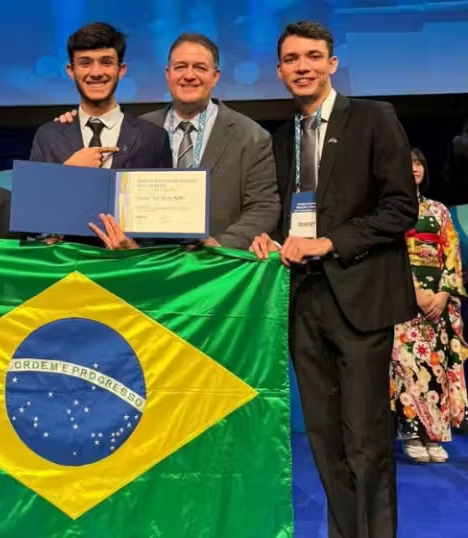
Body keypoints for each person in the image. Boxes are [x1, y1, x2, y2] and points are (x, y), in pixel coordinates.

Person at [250, 21, 418, 538]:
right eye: (291, 59)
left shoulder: (373, 118)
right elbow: (285, 215)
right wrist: (268, 239)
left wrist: (329, 242)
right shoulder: (281, 140)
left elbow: (400, 208)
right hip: (303, 300)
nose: (302, 67)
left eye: (312, 56)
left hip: (360, 299)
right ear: (280, 70)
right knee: (324, 441)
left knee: (367, 441)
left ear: (332, 64)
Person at [57, 33, 280, 250]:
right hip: (147, 261)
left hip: (217, 265)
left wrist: (221, 244)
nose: (189, 75)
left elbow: (264, 206)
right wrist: (74, 122)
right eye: (180, 67)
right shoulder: (139, 129)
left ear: (216, 76)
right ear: (168, 74)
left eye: (200, 68)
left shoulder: (251, 136)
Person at [391, 147, 468, 463]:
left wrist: (443, 294)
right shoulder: (391, 210)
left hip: (438, 300)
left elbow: (451, 252)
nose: (415, 168)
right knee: (408, 367)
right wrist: (415, 292)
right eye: (409, 163)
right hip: (405, 298)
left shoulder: (439, 210)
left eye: (419, 163)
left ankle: (434, 436)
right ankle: (411, 434)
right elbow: (391, 255)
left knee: (437, 368)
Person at [29, 22, 171, 171]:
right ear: (71, 71)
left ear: (121, 70)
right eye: (85, 63)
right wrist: (68, 172)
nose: (96, 73)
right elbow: (32, 187)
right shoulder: (48, 136)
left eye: (106, 63)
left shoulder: (153, 137)